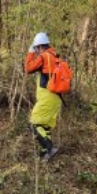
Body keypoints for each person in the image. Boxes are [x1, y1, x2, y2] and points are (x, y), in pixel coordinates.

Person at [25, 32, 63, 161]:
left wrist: (30, 53)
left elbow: (28, 68)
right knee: (45, 126)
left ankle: (49, 148)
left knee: (34, 124)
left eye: (36, 48)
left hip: (48, 97)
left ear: (39, 46)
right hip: (56, 98)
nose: (36, 51)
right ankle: (45, 154)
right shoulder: (55, 56)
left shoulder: (44, 57)